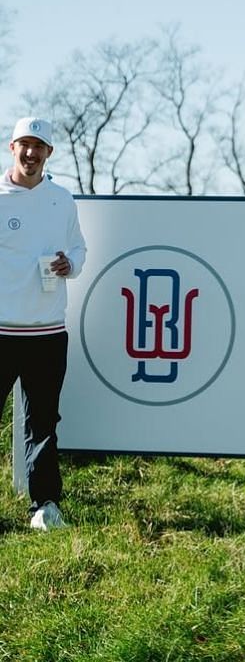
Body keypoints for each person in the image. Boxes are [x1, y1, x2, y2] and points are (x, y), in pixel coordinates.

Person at [0, 117, 87, 532]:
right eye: (24, 145)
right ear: (12, 148)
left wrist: (71, 264)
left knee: (44, 424)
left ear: (49, 153)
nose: (31, 154)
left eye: (39, 147)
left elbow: (78, 247)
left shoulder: (62, 199)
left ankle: (45, 507)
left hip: (48, 332)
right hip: (1, 331)